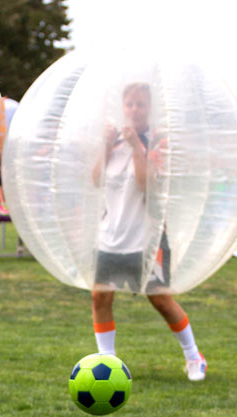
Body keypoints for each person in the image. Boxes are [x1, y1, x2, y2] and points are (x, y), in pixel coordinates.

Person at [90, 83, 206, 381]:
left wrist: (137, 147)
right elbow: (95, 180)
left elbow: (147, 186)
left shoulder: (158, 143)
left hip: (146, 238)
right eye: (129, 104)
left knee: (161, 300)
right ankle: (108, 362)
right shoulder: (113, 142)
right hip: (111, 236)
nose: (134, 110)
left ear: (150, 108)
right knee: (100, 297)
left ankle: (194, 356)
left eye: (140, 104)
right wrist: (105, 145)